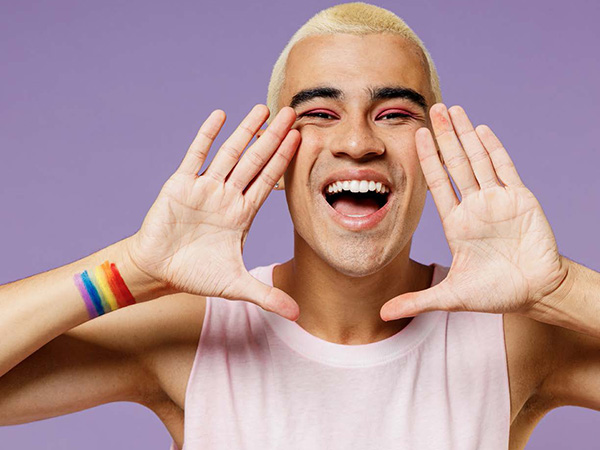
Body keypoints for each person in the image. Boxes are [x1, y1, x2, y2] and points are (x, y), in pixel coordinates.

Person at [1, 2, 599, 449]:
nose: (358, 141)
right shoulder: (196, 333)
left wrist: (561, 288)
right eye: (319, 113)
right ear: (277, 152)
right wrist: (128, 270)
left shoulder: (513, 339)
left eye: (393, 114)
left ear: (433, 147)